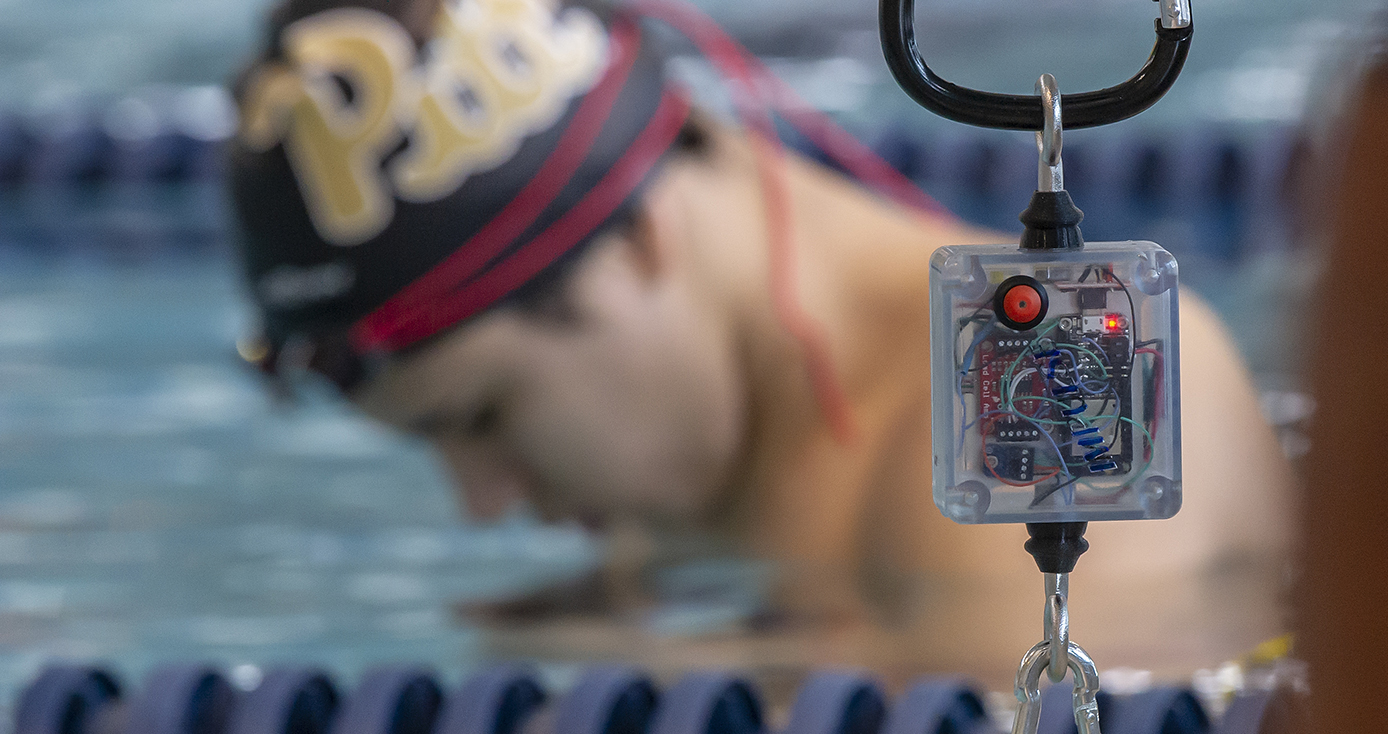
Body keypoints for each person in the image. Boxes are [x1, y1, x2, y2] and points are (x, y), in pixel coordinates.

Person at [229, 0, 1294, 686]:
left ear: (641, 241)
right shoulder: (694, 463)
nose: (483, 500)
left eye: (483, 415)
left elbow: (1068, 706)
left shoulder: (1078, 381)